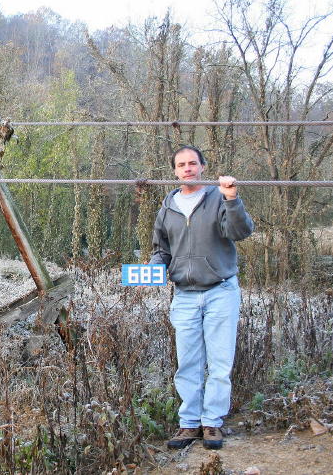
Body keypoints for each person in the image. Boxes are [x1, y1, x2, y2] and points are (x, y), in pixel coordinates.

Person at [150, 145, 254, 450]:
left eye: (192, 163)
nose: (187, 168)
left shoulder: (219, 198)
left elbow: (240, 231)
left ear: (202, 166)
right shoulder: (167, 207)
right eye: (181, 164)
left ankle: (212, 424)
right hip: (184, 295)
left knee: (220, 363)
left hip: (220, 290)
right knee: (188, 363)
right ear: (175, 170)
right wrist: (154, 271)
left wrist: (232, 198)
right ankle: (189, 424)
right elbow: (161, 250)